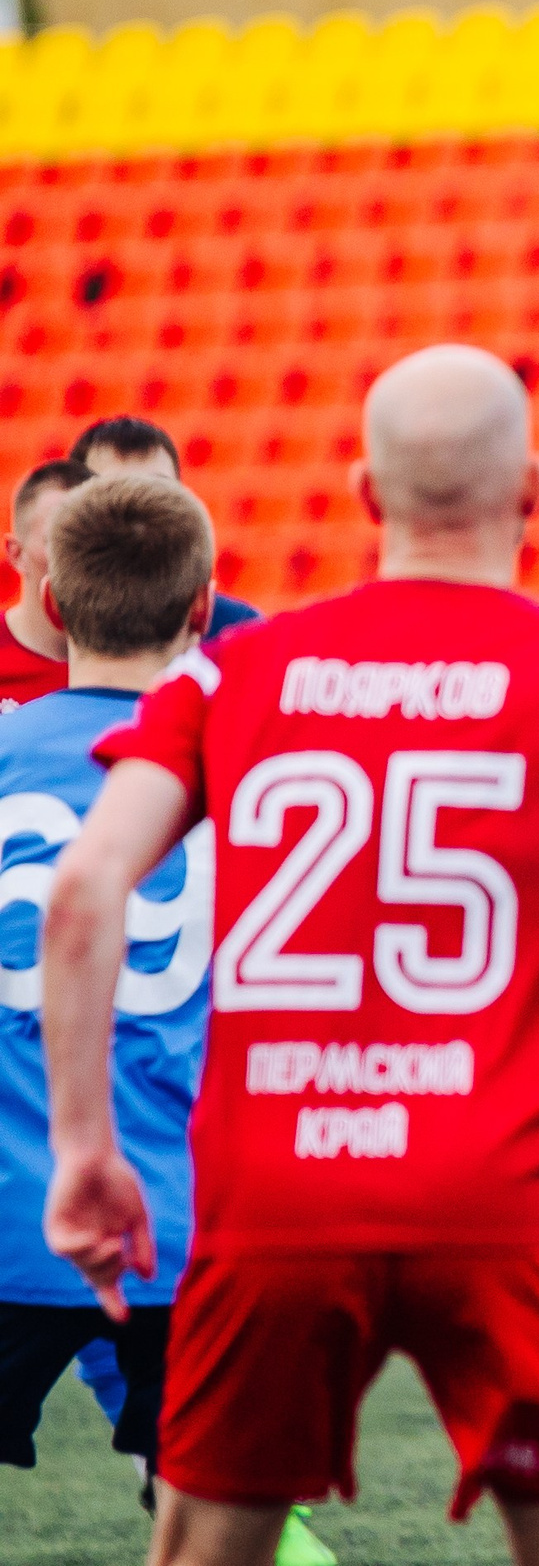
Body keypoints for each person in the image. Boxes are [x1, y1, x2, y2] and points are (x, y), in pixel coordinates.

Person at [40, 344, 539, 1566]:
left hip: (277, 1197)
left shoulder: (227, 675)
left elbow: (84, 892)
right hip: (506, 1203)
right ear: (536, 489)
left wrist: (86, 1148)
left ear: (361, 493)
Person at [0, 477, 333, 1566]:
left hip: (13, 1209)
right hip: (197, 1231)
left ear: (45, 600)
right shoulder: (264, 777)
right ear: (204, 610)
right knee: (218, 1522)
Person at [69, 417, 261, 639]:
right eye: (115, 493)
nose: (140, 512)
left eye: (159, 492)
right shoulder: (51, 634)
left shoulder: (236, 630)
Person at [1, 461, 93, 712]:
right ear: (16, 554)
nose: (79, 555)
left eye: (94, 540)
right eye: (60, 539)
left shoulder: (138, 661)